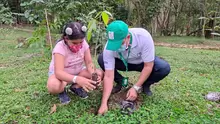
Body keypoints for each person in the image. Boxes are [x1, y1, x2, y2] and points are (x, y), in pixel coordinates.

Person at [97, 20, 171, 114]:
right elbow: (108, 76)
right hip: (122, 63)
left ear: (128, 37)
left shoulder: (143, 37)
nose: (116, 47)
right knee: (101, 58)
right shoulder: (109, 46)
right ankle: (120, 81)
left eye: (119, 43)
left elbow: (148, 66)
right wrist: (104, 103)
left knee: (163, 68)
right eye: (114, 44)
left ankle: (145, 84)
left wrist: (136, 87)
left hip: (142, 63)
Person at [47, 21, 103, 104]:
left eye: (81, 42)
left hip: (78, 72)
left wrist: (93, 74)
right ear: (66, 38)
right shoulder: (60, 48)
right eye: (74, 43)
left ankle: (75, 87)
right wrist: (77, 79)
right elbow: (58, 73)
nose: (79, 45)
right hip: (62, 76)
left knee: (99, 73)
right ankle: (61, 90)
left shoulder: (84, 44)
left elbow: (89, 62)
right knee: (53, 85)